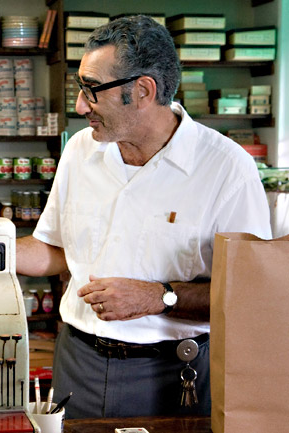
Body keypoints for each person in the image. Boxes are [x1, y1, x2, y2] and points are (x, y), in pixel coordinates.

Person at [16, 15, 271, 419]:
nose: (80, 105)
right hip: (77, 361)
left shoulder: (227, 169)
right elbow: (58, 249)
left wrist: (159, 297)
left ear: (143, 90)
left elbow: (250, 296)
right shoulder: (80, 150)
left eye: (92, 90)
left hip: (174, 372)